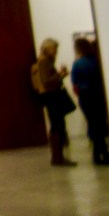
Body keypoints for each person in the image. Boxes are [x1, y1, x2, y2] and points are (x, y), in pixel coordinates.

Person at [35, 38, 77, 166]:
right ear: (48, 48)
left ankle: (58, 156)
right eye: (54, 48)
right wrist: (60, 74)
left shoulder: (46, 61)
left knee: (58, 124)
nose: (56, 51)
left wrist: (60, 75)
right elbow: (46, 81)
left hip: (52, 96)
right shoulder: (44, 61)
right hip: (52, 97)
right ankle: (57, 157)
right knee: (57, 124)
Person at [72, 38, 109, 165]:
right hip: (98, 95)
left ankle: (98, 154)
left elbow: (75, 84)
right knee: (99, 124)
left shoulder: (77, 64)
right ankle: (102, 154)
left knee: (93, 124)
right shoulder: (97, 61)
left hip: (85, 96)